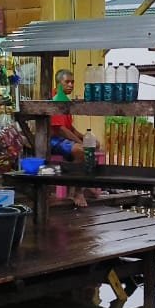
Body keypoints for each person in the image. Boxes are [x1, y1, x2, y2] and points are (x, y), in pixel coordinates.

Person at [50, 69, 90, 207]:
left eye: (72, 82)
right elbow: (60, 129)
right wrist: (80, 143)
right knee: (81, 151)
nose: (71, 85)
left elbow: (70, 128)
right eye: (67, 82)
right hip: (52, 139)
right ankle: (77, 192)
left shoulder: (65, 100)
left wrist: (85, 138)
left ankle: (82, 186)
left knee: (93, 144)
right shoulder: (55, 100)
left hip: (62, 138)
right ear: (58, 84)